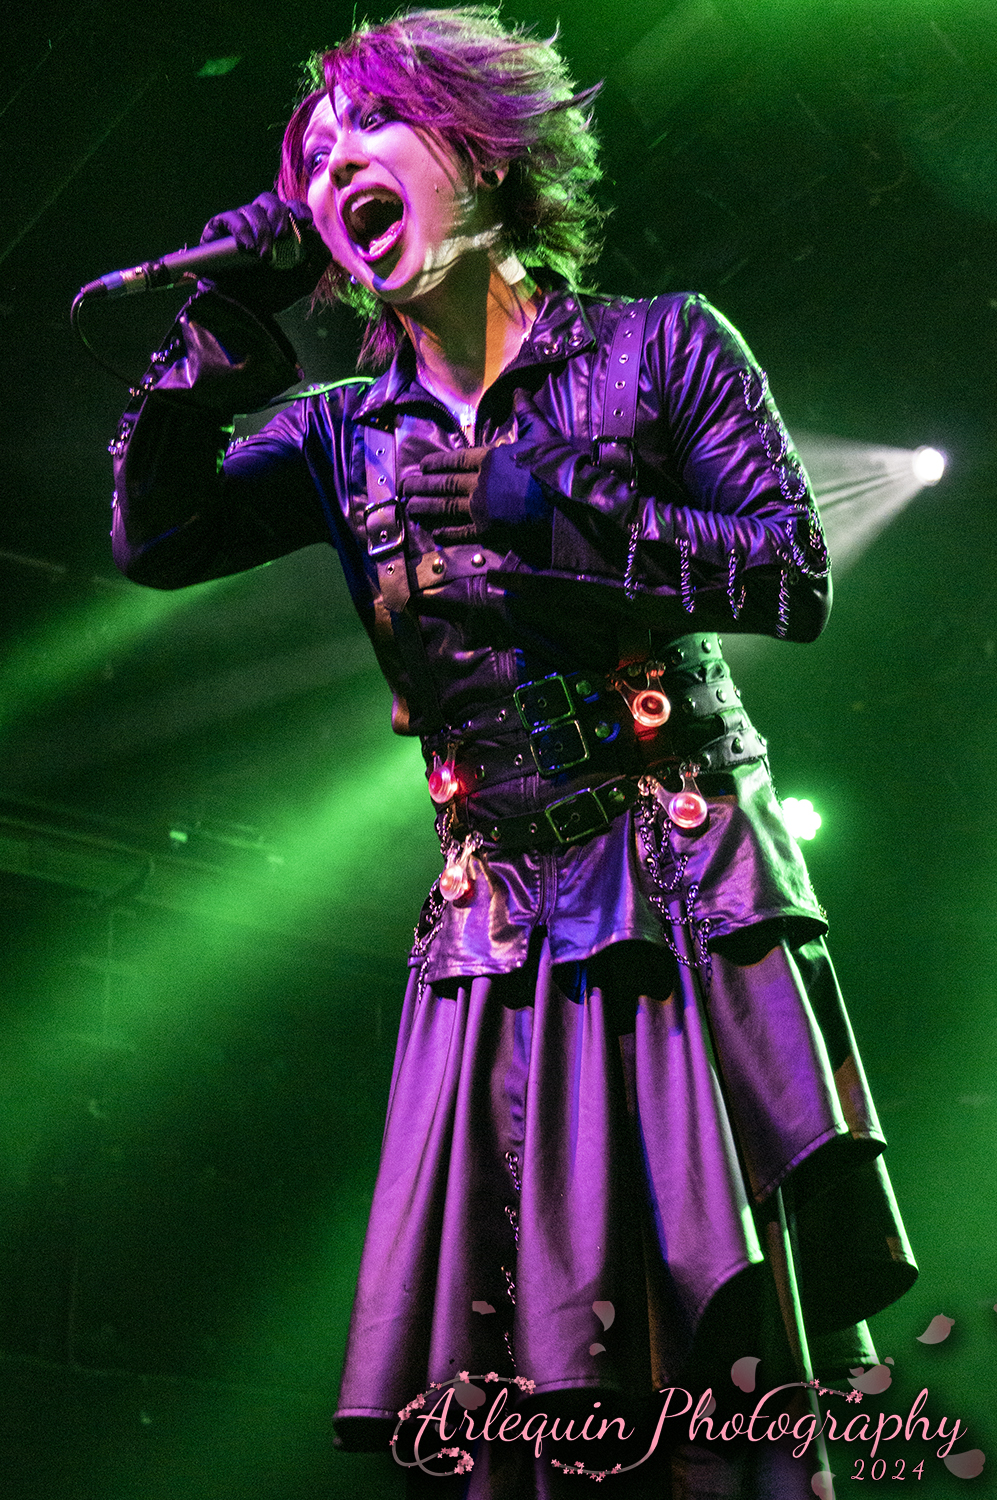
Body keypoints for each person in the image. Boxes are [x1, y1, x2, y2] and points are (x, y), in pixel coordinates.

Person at [107, 7, 916, 1494]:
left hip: (677, 890)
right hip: (496, 930)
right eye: (312, 156)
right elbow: (158, 541)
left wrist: (554, 506)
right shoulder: (342, 434)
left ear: (482, 152)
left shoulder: (661, 346)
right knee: (531, 1359)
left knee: (705, 1315)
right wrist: (198, 370)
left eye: (370, 125)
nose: (332, 166)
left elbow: (788, 575)